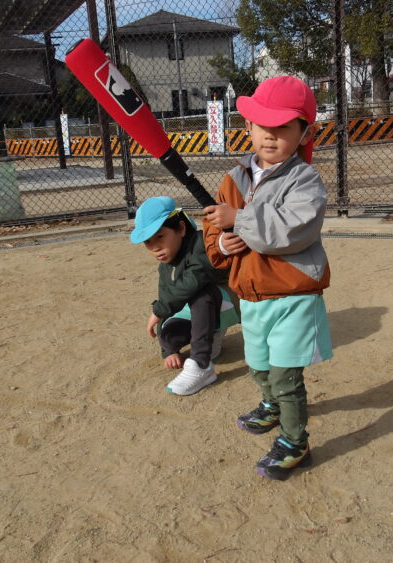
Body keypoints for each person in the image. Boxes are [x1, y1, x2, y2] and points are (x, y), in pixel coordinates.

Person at [203, 76, 332, 480]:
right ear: (248, 127)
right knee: (258, 365)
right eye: (263, 125)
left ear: (304, 133)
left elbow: (294, 229)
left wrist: (239, 220)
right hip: (251, 292)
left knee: (285, 374)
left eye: (284, 127)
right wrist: (222, 245)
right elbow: (212, 225)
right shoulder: (234, 178)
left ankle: (296, 442)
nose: (271, 135)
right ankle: (271, 405)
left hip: (293, 294)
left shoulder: (305, 180)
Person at [131, 196, 239, 396]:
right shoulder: (165, 265)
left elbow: (195, 278)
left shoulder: (201, 243)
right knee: (168, 332)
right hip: (200, 310)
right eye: (147, 242)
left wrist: (159, 310)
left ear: (181, 229)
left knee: (200, 294)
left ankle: (201, 363)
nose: (155, 247)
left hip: (233, 302)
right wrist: (168, 351)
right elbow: (165, 299)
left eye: (160, 236)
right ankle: (203, 340)